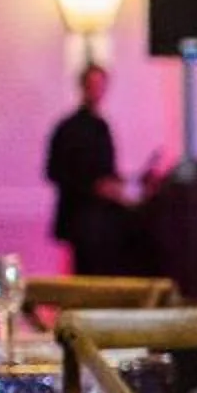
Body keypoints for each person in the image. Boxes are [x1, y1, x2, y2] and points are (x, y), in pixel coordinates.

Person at [45, 64, 128, 270]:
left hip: (101, 218)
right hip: (80, 217)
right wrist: (94, 187)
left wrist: (115, 184)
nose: (97, 91)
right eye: (92, 85)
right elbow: (55, 171)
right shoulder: (68, 128)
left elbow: (108, 167)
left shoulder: (102, 126)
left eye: (100, 86)